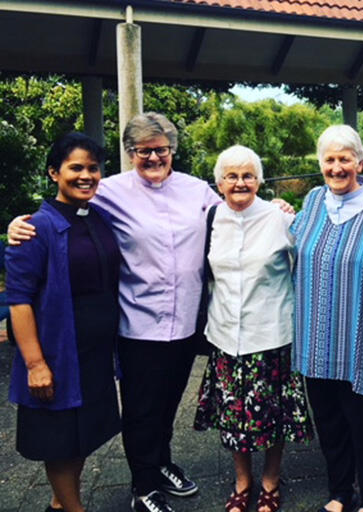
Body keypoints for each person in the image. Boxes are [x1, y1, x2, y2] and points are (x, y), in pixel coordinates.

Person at [8, 112, 222, 512]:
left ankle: (161, 463)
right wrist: (18, 223)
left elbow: (236, 208)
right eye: (143, 151)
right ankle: (144, 487)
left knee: (169, 403)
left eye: (161, 150)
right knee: (141, 409)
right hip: (138, 323)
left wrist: (276, 206)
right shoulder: (109, 191)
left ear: (172, 150)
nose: (153, 158)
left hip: (186, 321)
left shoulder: (197, 190)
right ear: (131, 153)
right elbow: (57, 211)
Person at [193, 145, 313, 512]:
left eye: (248, 175)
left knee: (272, 416)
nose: (240, 182)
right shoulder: (211, 219)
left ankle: (271, 481)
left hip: (272, 335)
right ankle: (242, 481)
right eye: (231, 176)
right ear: (219, 183)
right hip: (225, 335)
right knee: (233, 418)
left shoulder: (281, 219)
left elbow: (305, 263)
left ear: (260, 180)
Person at [5, 132, 121, 512]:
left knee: (82, 434)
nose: (86, 175)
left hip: (94, 352)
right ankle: (73, 508)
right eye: (76, 168)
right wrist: (36, 364)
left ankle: (59, 503)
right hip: (58, 351)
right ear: (54, 172)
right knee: (59, 437)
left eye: (93, 168)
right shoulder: (35, 229)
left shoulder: (99, 217)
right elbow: (19, 300)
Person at [291, 125, 363, 512]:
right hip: (315, 341)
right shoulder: (314, 201)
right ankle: (338, 493)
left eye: (344, 159)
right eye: (329, 160)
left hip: (359, 344)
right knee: (330, 426)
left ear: (360, 162)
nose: (337, 167)